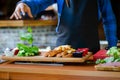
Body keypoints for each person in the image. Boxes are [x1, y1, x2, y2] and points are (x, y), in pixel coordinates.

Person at [10, 0, 117, 53]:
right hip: (63, 52)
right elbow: (38, 2)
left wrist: (112, 48)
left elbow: (109, 20)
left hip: (90, 52)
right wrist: (24, 3)